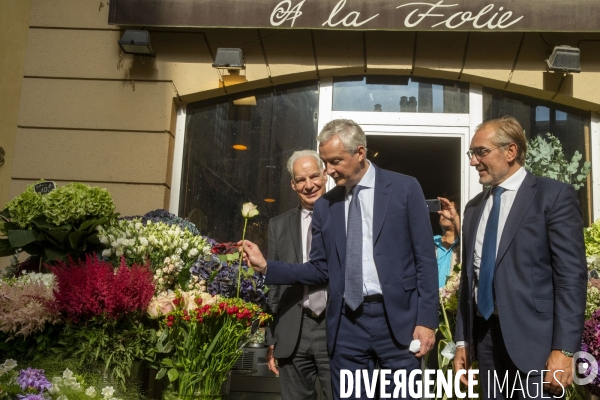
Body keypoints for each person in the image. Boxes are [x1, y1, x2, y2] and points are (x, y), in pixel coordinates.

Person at [241, 119, 439, 400]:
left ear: (360, 152)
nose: (329, 171)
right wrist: (266, 267)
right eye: (326, 162)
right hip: (348, 326)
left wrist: (427, 321)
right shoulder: (325, 206)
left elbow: (425, 261)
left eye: (335, 161)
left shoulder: (405, 189)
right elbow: (320, 269)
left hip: (399, 323)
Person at [453, 116, 587, 399]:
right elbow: (469, 280)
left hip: (536, 347)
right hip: (486, 341)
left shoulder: (552, 197)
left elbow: (570, 279)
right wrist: (463, 341)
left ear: (510, 151)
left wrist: (564, 350)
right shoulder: (474, 208)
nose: (473, 161)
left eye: (481, 152)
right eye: (472, 153)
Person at [265, 150, 332, 400]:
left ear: (325, 175)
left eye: (314, 176)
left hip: (334, 328)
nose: (309, 185)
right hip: (293, 329)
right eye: (301, 180)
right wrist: (271, 338)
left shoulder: (345, 218)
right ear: (293, 184)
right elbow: (274, 287)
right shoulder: (278, 226)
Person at [435, 197, 460, 288]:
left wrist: (455, 219)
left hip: (454, 300)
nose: (445, 213)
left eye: (450, 210)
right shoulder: (431, 242)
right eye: (443, 210)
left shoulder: (463, 244)